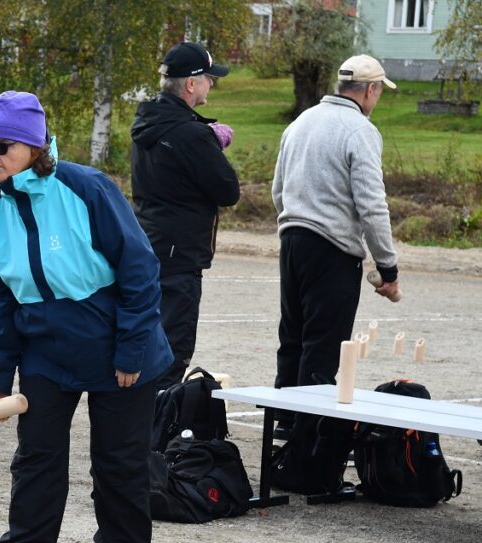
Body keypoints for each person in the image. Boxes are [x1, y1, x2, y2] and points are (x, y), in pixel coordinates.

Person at [0, 92, 172, 543]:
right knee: (36, 456)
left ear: (35, 147)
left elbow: (140, 268)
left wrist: (130, 349)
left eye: (2, 145)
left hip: (116, 345)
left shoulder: (85, 187)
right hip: (45, 350)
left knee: (119, 457)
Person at [271, 55, 400, 440]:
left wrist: (294, 220)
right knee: (323, 346)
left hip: (292, 240)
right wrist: (388, 266)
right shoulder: (360, 130)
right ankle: (308, 441)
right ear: (371, 89)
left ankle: (284, 427)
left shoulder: (301, 121)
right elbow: (372, 204)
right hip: (332, 250)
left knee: (291, 339)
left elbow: (279, 189)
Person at [130, 42, 240, 391]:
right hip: (179, 257)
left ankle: (140, 435)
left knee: (147, 344)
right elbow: (228, 190)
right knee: (172, 352)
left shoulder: (148, 121)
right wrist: (210, 143)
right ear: (191, 84)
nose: (212, 84)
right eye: (208, 78)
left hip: (150, 243)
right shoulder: (191, 134)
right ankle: (152, 440)